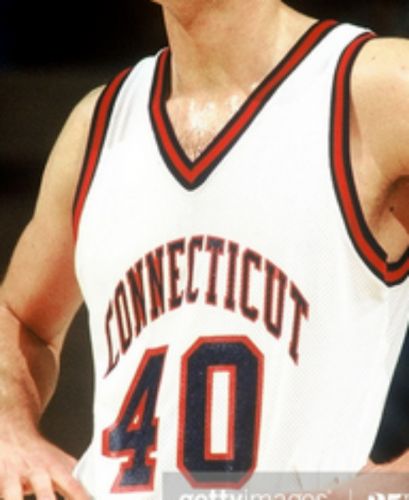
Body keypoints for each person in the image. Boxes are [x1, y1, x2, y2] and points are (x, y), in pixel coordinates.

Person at [0, 0, 408, 498]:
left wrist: (390, 484)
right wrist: (10, 429)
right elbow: (18, 317)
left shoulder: (374, 87)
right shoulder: (98, 127)